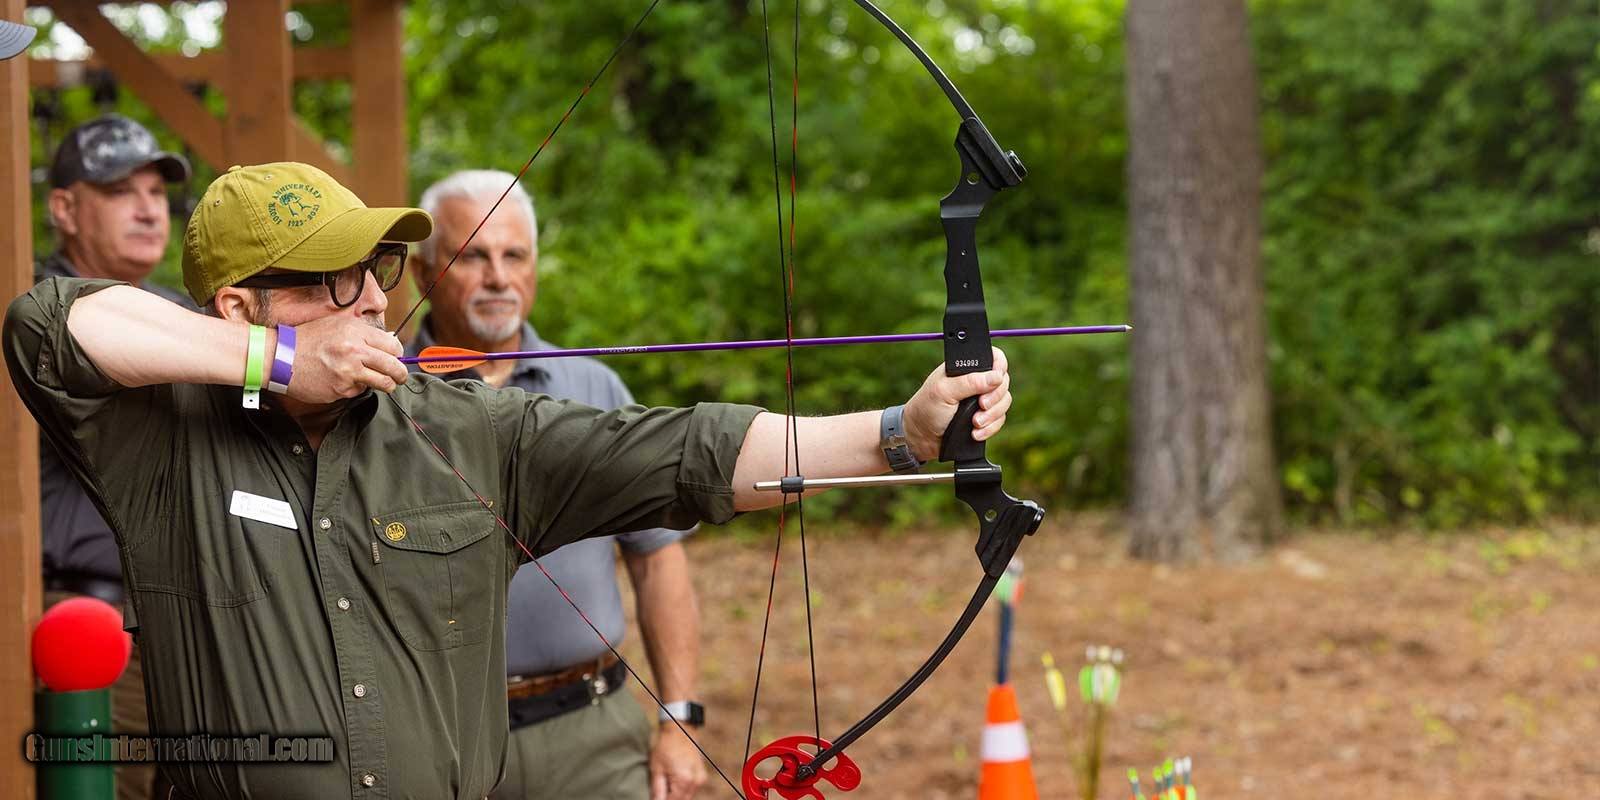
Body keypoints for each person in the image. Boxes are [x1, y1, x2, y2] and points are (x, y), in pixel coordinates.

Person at [3, 161, 1015, 800]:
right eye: (332, 278)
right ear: (237, 306)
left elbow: (688, 450)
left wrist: (900, 431)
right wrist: (277, 363)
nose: (371, 300)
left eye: (377, 269)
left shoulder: (465, 427)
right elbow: (48, 322)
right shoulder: (158, 438)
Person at [407, 170, 706, 800]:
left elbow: (657, 560)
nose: (498, 277)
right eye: (472, 257)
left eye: (514, 255)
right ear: (423, 272)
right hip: (435, 741)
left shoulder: (594, 389)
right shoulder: (379, 395)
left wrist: (679, 718)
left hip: (592, 738)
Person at [37, 113, 192, 800]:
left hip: (182, 628)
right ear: (64, 209)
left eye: (156, 192)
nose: (148, 209)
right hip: (80, 624)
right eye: (120, 190)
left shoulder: (182, 313)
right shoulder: (32, 308)